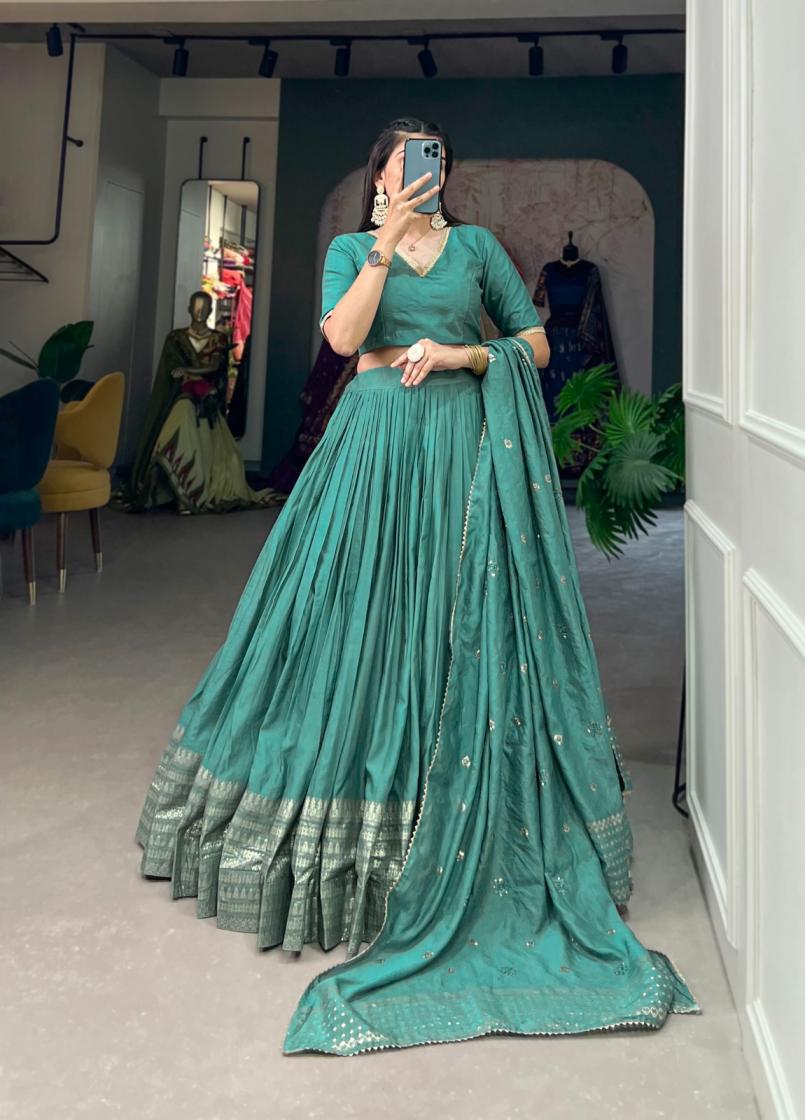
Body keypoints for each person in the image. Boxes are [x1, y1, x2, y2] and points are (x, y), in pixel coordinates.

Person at [135, 116, 701, 1056]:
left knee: (454, 623)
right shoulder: (351, 250)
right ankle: (353, 851)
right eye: (407, 161)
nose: (425, 171)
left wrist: (464, 356)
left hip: (463, 454)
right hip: (372, 450)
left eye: (435, 159)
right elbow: (343, 339)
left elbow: (536, 343)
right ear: (380, 176)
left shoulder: (477, 249)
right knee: (349, 624)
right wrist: (386, 244)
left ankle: (458, 832)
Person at [119, 290, 281, 514]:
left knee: (221, 457)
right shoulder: (176, 339)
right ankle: (175, 489)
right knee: (172, 435)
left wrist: (189, 371)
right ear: (188, 308)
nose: (200, 311)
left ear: (211, 310)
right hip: (182, 399)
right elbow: (170, 372)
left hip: (206, 403)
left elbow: (214, 367)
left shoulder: (218, 339)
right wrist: (187, 374)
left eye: (204, 307)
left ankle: (191, 494)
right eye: (196, 306)